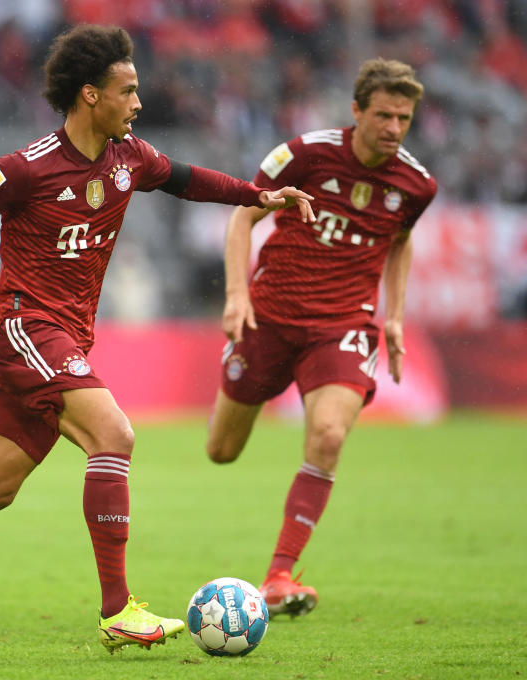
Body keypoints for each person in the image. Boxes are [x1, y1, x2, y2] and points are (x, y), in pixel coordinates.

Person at [0, 24, 313, 654]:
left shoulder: (129, 158)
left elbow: (189, 179)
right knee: (114, 435)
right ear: (89, 95)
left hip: (67, 337)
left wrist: (261, 196)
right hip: (23, 327)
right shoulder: (24, 169)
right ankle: (118, 611)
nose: (138, 103)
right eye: (127, 90)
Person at [205, 58, 437, 617]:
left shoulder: (416, 184)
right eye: (383, 114)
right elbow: (243, 218)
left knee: (329, 436)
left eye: (403, 118)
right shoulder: (304, 155)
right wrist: (237, 295)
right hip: (269, 316)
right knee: (222, 451)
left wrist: (395, 315)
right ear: (356, 111)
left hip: (342, 325)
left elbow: (400, 241)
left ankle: (280, 574)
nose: (393, 127)